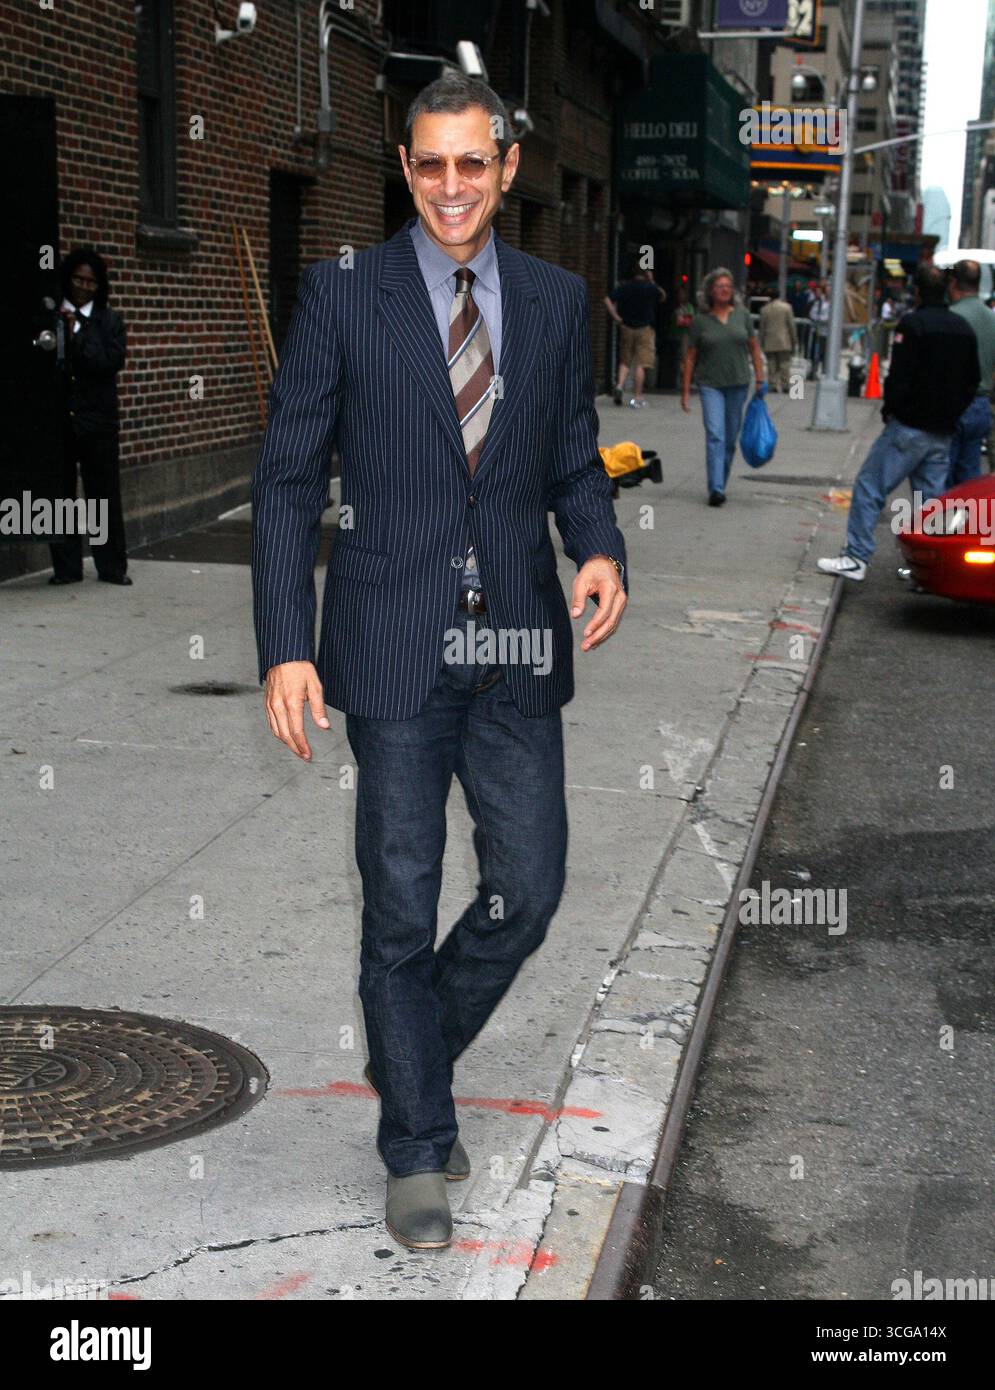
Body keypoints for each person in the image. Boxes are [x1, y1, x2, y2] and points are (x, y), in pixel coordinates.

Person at [250, 74, 627, 1251]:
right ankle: (416, 1141)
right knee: (399, 909)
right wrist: (283, 645)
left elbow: (572, 455)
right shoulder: (343, 293)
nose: (452, 187)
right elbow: (286, 477)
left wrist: (604, 545)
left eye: (474, 163)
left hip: (515, 642)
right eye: (430, 164)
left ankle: (407, 1053)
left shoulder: (559, 302)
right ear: (403, 168)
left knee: (530, 889)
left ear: (508, 166)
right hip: (392, 646)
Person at [817, 264, 979, 581]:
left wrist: (892, 409)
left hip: (910, 426)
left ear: (916, 292)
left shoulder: (913, 325)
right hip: (943, 429)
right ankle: (929, 571)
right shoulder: (962, 328)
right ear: (947, 290)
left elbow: (900, 377)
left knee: (869, 486)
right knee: (929, 503)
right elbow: (972, 381)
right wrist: (953, 413)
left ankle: (856, 556)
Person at [48, 247, 130, 585]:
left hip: (98, 420)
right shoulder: (51, 316)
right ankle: (66, 568)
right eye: (78, 279)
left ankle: (111, 567)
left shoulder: (109, 321)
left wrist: (76, 335)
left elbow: (107, 362)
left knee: (103, 494)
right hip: (61, 420)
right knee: (60, 493)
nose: (84, 286)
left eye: (91, 282)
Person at [681, 267, 765, 506]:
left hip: (738, 383)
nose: (725, 290)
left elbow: (754, 348)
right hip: (710, 385)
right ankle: (716, 488)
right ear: (710, 291)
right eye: (720, 286)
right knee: (716, 435)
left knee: (729, 439)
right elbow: (690, 357)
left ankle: (721, 480)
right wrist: (686, 392)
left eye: (728, 286)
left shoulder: (743, 316)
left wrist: (760, 378)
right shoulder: (700, 321)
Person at [945, 259, 995, 487]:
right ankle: (968, 521)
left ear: (953, 282)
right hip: (981, 404)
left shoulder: (950, 317)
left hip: (953, 403)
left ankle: (939, 522)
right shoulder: (992, 320)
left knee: (941, 475)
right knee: (969, 480)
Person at [605, 265, 666, 408]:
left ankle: (620, 385)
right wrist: (652, 281)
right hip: (644, 329)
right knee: (641, 363)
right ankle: (637, 397)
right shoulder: (649, 287)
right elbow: (663, 296)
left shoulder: (625, 287)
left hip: (626, 327)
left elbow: (607, 299)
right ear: (646, 274)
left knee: (625, 360)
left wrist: (616, 317)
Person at [759, 291, 797, 392]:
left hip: (769, 340)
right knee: (784, 364)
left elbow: (762, 328)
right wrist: (794, 340)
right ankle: (785, 385)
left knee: (771, 364)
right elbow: (791, 326)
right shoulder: (787, 307)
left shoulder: (764, 310)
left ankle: (772, 385)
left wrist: (761, 342)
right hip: (784, 340)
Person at [808, 282, 830, 376]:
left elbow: (830, 317)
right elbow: (812, 313)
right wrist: (819, 319)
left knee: (826, 353)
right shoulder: (818, 302)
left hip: (827, 333)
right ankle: (814, 371)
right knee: (815, 352)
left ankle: (825, 371)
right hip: (817, 331)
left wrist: (821, 319)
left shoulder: (831, 303)